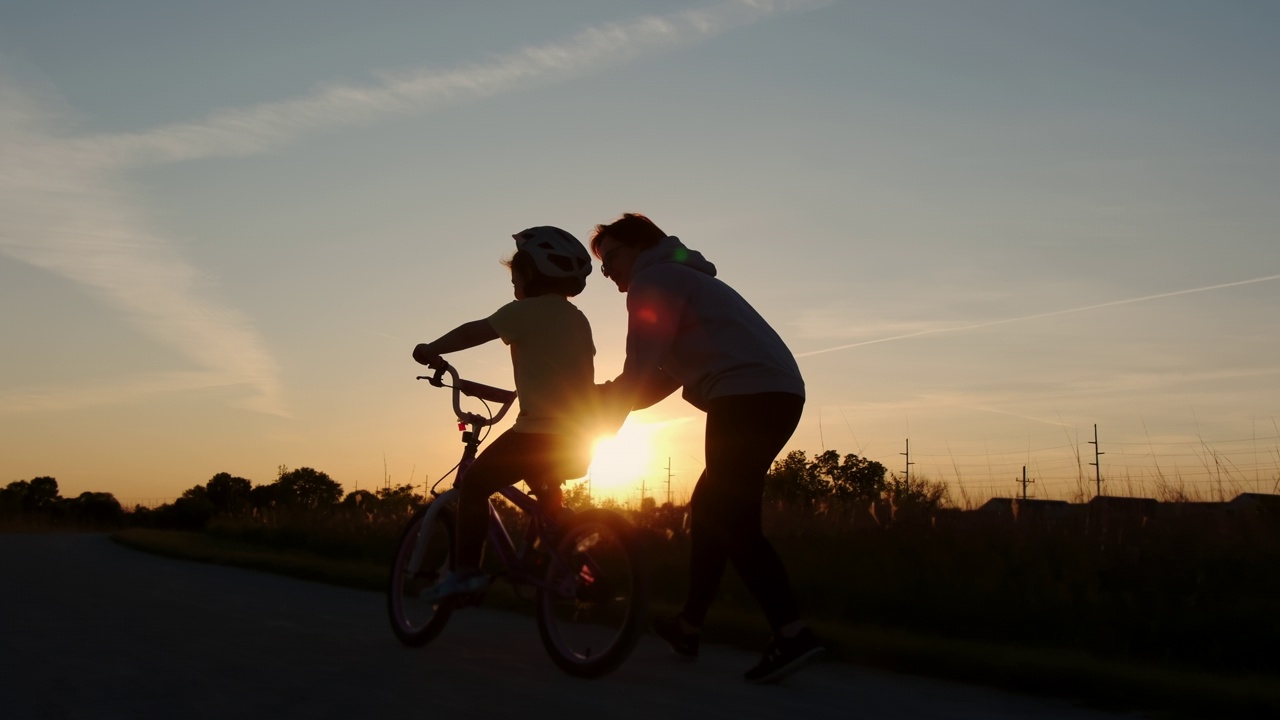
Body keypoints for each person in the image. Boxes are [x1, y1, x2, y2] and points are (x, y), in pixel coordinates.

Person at [592, 212, 822, 684]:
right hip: (769, 393)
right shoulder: (680, 279)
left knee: (732, 518)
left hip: (747, 394)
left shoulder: (653, 280)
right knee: (712, 508)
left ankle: (791, 632)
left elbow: (642, 364)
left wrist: (600, 427)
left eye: (610, 256)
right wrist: (606, 397)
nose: (606, 270)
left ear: (639, 248)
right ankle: (688, 625)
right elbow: (662, 378)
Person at [413, 226, 596, 602]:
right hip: (580, 436)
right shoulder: (577, 318)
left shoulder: (525, 311)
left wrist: (432, 349)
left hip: (539, 432)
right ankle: (567, 556)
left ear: (530, 274)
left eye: (515, 278)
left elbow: (473, 332)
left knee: (477, 482)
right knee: (547, 499)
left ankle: (465, 573)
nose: (513, 286)